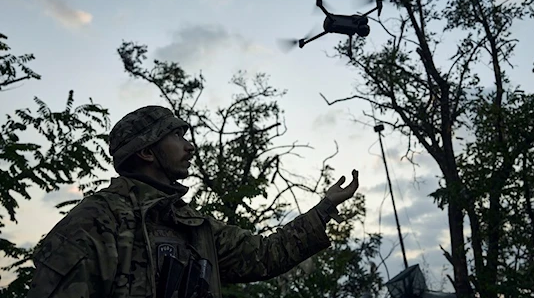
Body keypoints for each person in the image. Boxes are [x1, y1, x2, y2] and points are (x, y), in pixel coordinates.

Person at [26, 105, 360, 298]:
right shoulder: (95, 222)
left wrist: (326, 207)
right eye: (177, 136)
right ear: (146, 151)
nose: (190, 147)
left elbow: (264, 256)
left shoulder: (193, 226)